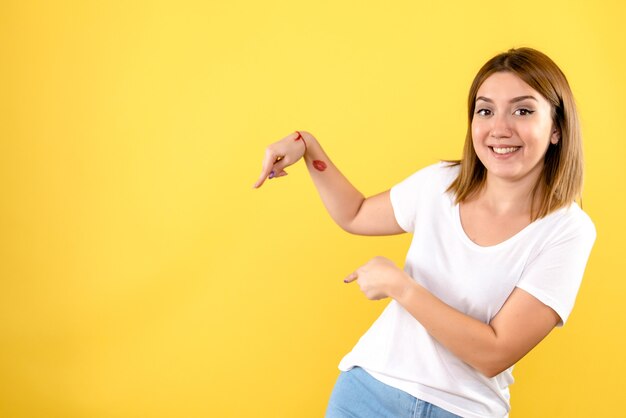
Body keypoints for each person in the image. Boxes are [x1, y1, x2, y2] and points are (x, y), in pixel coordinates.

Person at [253, 47, 596, 418]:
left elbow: (494, 353)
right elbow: (354, 213)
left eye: (523, 110)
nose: (499, 127)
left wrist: (400, 287)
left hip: (463, 411)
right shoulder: (441, 185)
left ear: (558, 128)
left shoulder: (566, 230)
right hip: (368, 392)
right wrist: (307, 145)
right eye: (485, 110)